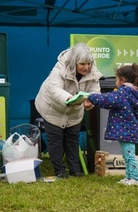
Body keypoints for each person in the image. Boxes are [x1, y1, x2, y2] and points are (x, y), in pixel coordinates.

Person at [34, 43, 103, 178]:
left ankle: (75, 170)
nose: (86, 67)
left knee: (72, 138)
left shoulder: (93, 71)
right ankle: (59, 170)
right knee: (56, 140)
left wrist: (91, 102)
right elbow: (54, 89)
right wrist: (71, 98)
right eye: (82, 64)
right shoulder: (59, 68)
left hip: (74, 111)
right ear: (74, 62)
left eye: (89, 63)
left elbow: (95, 91)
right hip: (52, 108)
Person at [87, 63, 138, 186]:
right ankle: (129, 177)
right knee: (127, 155)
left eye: (116, 79)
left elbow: (106, 100)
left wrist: (90, 96)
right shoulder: (133, 93)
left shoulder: (122, 93)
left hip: (126, 131)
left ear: (122, 80)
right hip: (130, 130)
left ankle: (135, 178)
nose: (115, 82)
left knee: (129, 157)